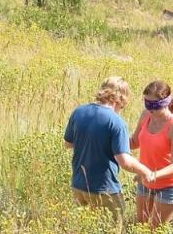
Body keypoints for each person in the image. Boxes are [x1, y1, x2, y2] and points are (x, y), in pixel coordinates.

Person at [64, 76, 155, 223]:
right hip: (105, 189)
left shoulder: (78, 112)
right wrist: (146, 172)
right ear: (121, 99)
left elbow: (68, 144)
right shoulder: (116, 122)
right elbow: (125, 161)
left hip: (78, 186)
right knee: (114, 233)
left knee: (85, 231)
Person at [129, 80, 173, 228]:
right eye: (147, 103)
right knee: (141, 227)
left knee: (155, 231)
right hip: (146, 182)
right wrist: (112, 141)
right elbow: (135, 142)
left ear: (166, 102)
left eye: (154, 105)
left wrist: (153, 175)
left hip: (169, 186)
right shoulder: (145, 116)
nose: (150, 108)